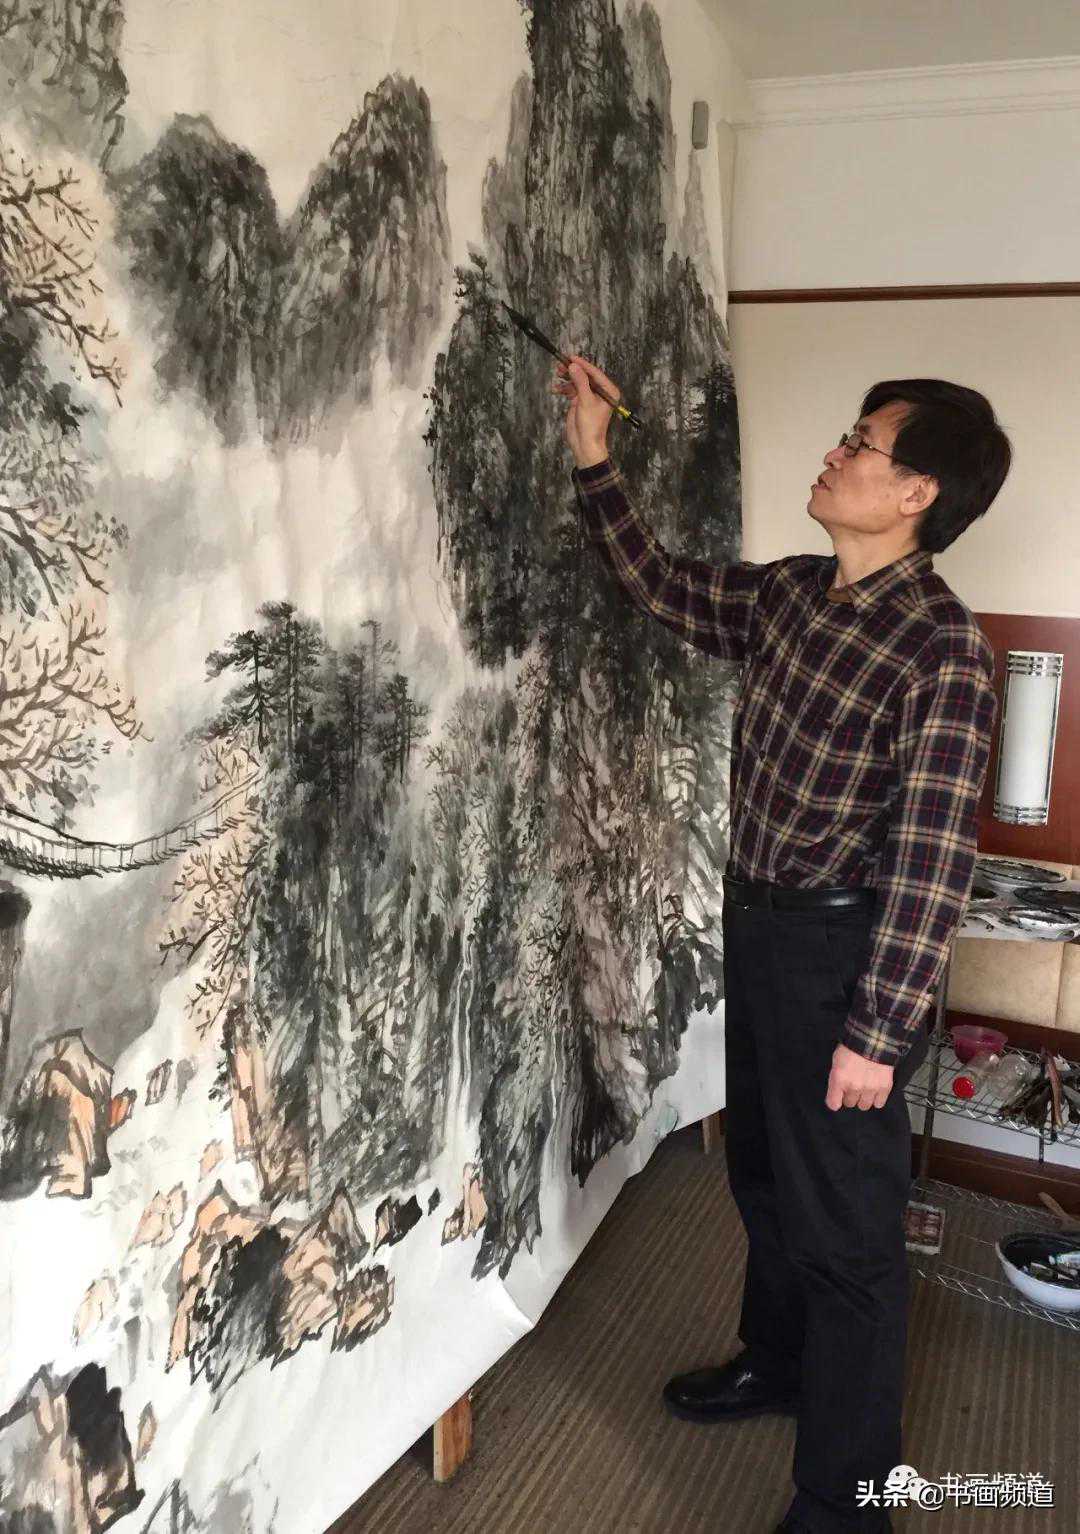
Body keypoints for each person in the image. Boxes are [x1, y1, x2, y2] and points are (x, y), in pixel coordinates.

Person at [552, 354, 1011, 1534]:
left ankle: (847, 1502)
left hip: (843, 960)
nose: (835, 453)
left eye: (861, 444)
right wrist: (594, 453)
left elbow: (931, 860)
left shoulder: (943, 650)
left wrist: (878, 1033)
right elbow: (660, 586)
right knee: (762, 1176)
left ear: (916, 493)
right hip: (758, 925)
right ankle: (780, 1360)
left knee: (850, 1236)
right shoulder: (794, 594)